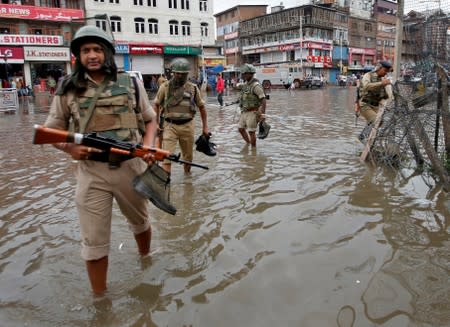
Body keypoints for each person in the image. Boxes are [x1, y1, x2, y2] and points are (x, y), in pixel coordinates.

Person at [43, 25, 158, 296]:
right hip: (91, 172)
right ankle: (100, 301)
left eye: (97, 49)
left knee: (141, 222)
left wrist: (149, 147)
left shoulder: (130, 82)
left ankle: (145, 260)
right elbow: (52, 131)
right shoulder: (67, 88)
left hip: (131, 167)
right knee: (93, 242)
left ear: (107, 53)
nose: (92, 55)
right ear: (77, 55)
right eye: (85, 50)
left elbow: (150, 119)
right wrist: (69, 148)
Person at [153, 57, 209, 174]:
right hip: (169, 126)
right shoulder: (165, 87)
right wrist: (156, 123)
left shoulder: (193, 88)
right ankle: (166, 183)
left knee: (188, 158)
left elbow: (202, 107)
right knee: (167, 157)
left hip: (187, 126)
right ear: (173, 73)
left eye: (182, 74)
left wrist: (205, 127)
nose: (179, 76)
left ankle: (187, 180)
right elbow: (156, 105)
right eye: (177, 73)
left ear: (186, 74)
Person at [236, 63, 267, 147]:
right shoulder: (246, 85)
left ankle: (253, 150)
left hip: (253, 112)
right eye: (243, 74)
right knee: (241, 129)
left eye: (245, 73)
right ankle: (248, 144)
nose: (243, 75)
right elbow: (243, 94)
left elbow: (263, 100)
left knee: (251, 132)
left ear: (251, 74)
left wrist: (263, 115)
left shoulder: (256, 86)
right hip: (244, 112)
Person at [358, 60, 393, 125]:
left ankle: (369, 127)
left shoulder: (383, 79)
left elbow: (386, 96)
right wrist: (381, 83)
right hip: (365, 105)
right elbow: (366, 86)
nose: (386, 73)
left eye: (387, 72)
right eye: (385, 70)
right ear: (379, 68)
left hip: (376, 106)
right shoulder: (368, 75)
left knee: (381, 122)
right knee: (377, 122)